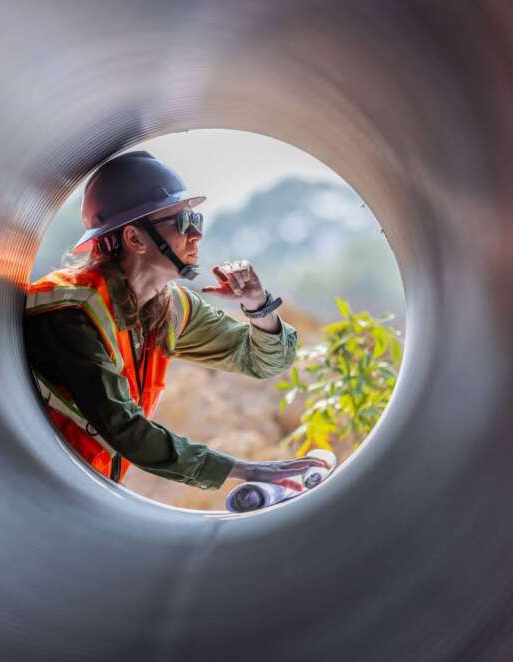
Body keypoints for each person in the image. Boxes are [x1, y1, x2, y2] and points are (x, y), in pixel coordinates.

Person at [24, 151, 326, 492]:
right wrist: (245, 470)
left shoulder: (169, 305)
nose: (196, 235)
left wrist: (257, 306)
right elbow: (126, 430)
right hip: (33, 484)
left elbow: (263, 361)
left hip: (83, 486)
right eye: (183, 224)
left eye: (196, 220)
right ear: (135, 239)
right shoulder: (72, 312)